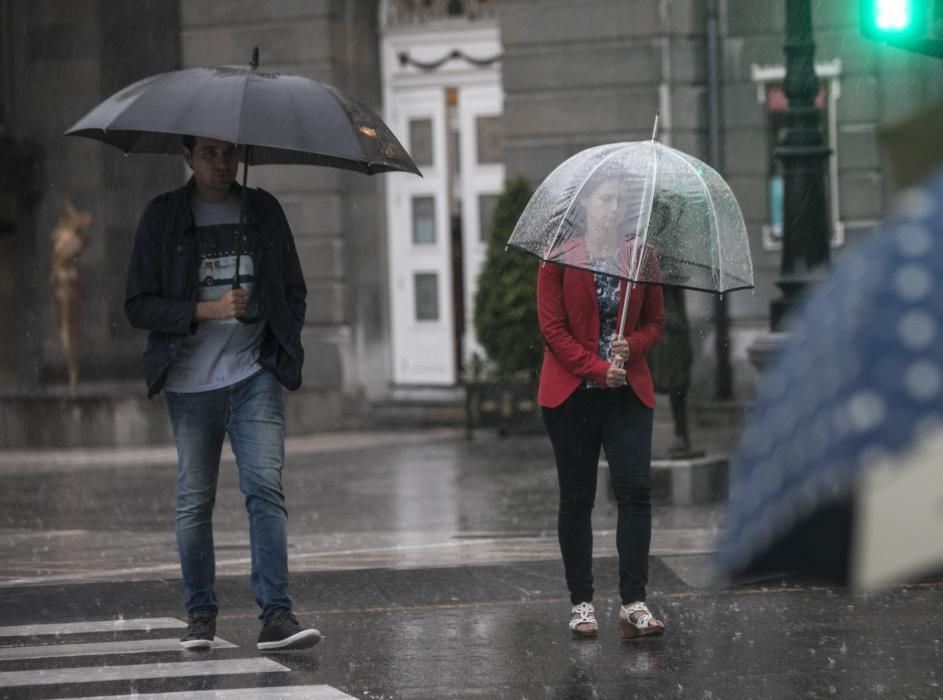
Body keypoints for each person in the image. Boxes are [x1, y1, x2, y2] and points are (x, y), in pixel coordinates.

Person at [125, 135, 319, 651]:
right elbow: (138, 304)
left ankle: (276, 616)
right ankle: (200, 616)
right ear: (186, 156)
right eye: (208, 153)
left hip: (255, 375)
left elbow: (293, 287)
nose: (221, 162)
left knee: (265, 490)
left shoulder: (263, 210)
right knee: (194, 502)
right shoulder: (162, 217)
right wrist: (206, 309)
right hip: (190, 385)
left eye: (229, 152)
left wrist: (280, 343)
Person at [537, 173, 666, 640]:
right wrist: (596, 369)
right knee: (577, 499)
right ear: (586, 204)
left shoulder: (642, 256)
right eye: (606, 199)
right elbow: (553, 331)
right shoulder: (557, 257)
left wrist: (630, 346)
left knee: (635, 493)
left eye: (621, 201)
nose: (615, 208)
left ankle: (633, 601)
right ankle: (581, 603)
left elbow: (655, 322)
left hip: (629, 395)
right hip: (572, 396)